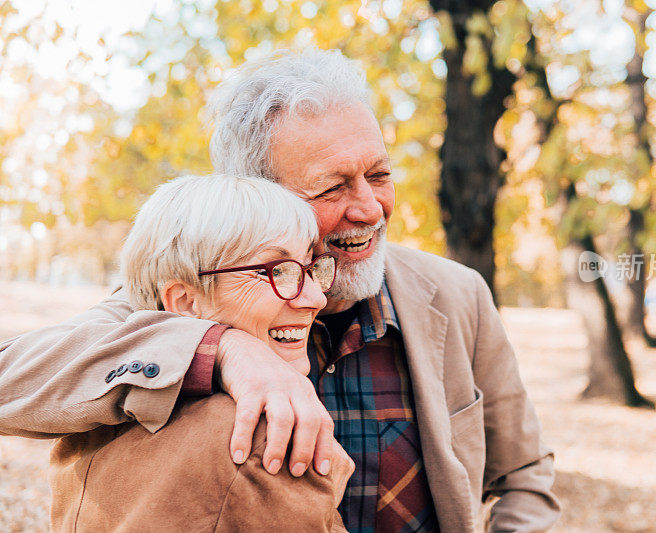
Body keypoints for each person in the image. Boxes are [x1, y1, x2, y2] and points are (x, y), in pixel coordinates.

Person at [0, 48, 560, 532]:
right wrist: (221, 349)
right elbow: (11, 378)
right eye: (332, 186)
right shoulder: (185, 292)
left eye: (380, 175)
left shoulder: (457, 294)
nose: (369, 208)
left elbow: (524, 476)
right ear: (260, 198)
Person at [50, 174, 353, 532]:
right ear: (186, 302)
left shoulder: (91, 410)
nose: (316, 298)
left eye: (309, 267)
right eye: (276, 270)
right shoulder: (262, 437)